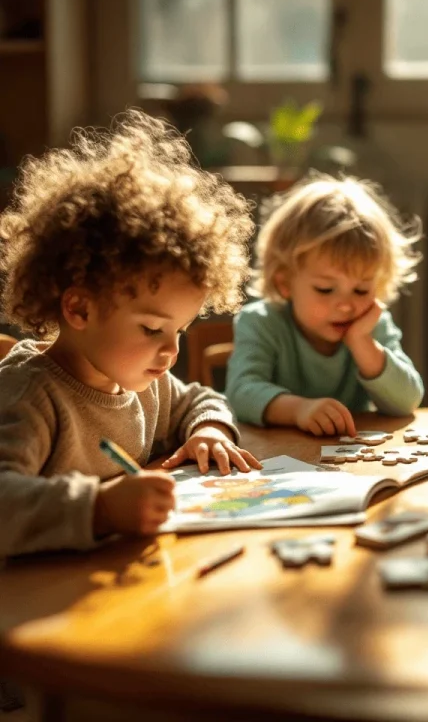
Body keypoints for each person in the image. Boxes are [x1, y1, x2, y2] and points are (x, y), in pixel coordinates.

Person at [0, 109, 260, 558]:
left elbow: (197, 399)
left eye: (179, 329)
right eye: (152, 328)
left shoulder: (143, 382)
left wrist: (210, 430)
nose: (171, 350)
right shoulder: (30, 395)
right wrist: (99, 509)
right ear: (80, 307)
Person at [226, 174, 424, 435]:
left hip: (348, 467)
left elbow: (407, 401)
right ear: (284, 282)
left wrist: (361, 342)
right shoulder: (260, 322)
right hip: (272, 460)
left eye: (361, 289)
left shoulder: (370, 327)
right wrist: (300, 410)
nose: (346, 305)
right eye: (325, 289)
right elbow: (240, 393)